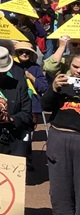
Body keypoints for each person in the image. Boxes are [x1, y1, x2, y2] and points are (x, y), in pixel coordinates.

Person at [43, 52, 80, 213]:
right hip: (59, 137)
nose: (78, 71)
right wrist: (53, 88)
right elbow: (45, 106)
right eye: (75, 66)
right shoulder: (62, 81)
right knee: (60, 192)